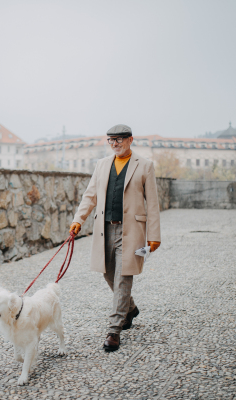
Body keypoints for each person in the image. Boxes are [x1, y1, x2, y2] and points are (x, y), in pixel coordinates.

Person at [69, 124, 161, 352]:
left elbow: (154, 203)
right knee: (107, 273)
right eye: (111, 140)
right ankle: (130, 308)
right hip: (104, 229)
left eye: (119, 139)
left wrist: (154, 235)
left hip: (132, 231)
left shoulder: (145, 166)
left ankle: (114, 330)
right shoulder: (102, 165)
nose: (115, 144)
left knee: (123, 277)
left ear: (131, 140)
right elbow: (90, 196)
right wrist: (78, 219)